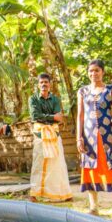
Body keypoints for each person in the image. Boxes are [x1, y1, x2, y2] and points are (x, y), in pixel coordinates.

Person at [76, 60, 112, 219]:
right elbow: (80, 115)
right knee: (91, 169)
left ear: (103, 72)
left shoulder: (111, 90)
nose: (94, 74)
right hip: (89, 138)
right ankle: (93, 208)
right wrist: (79, 138)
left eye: (97, 70)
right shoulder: (82, 91)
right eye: (91, 71)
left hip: (109, 136)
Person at [29, 73, 73, 202]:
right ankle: (34, 193)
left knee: (58, 163)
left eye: (46, 82)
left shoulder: (55, 99)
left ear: (50, 84)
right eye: (41, 82)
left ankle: (63, 193)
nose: (44, 85)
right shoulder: (33, 99)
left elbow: (59, 116)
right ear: (38, 84)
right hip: (39, 134)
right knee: (38, 162)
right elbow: (35, 116)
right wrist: (52, 117)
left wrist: (50, 117)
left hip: (54, 133)